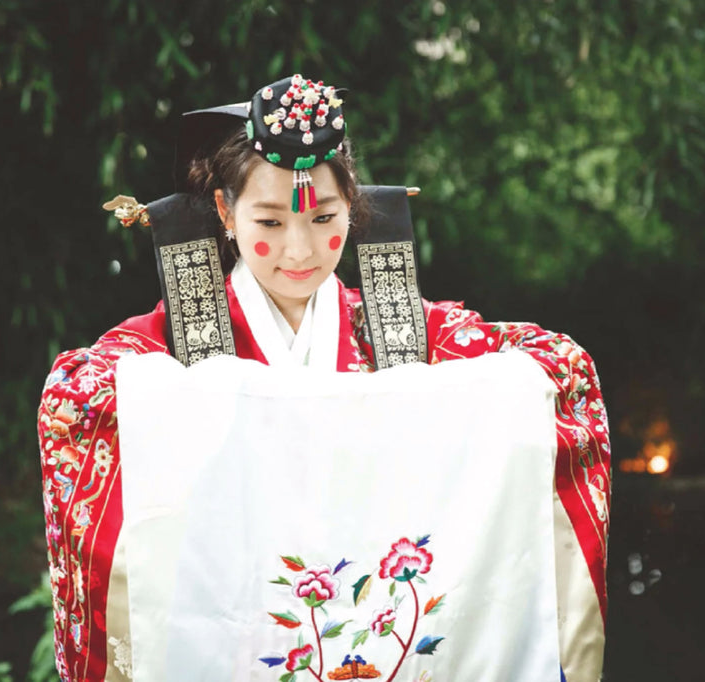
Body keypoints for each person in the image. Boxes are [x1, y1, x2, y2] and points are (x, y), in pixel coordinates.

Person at [37, 74, 611, 682]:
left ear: (354, 207)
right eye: (271, 222)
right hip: (230, 637)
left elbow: (555, 366)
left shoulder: (402, 334)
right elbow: (76, 398)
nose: (301, 249)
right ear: (226, 213)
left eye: (323, 217)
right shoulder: (176, 345)